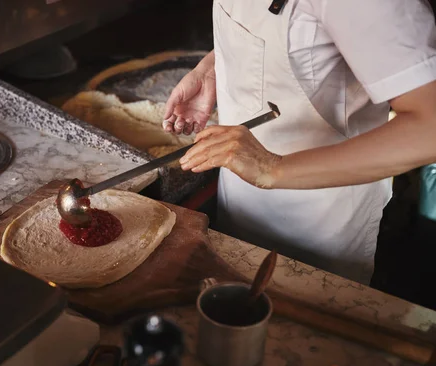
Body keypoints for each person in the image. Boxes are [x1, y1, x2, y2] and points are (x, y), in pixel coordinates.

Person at [163, 0, 436, 284]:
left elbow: (429, 125)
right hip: (240, 196)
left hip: (320, 219)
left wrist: (273, 168)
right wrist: (214, 67)